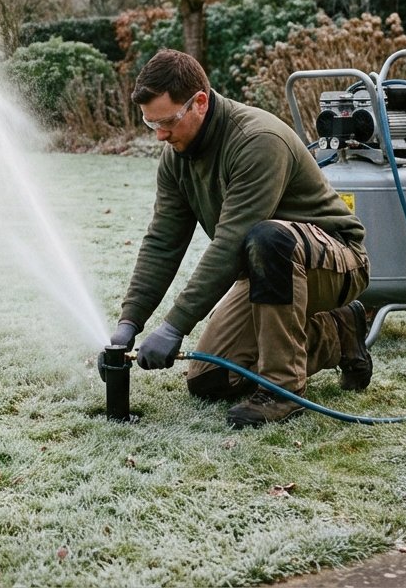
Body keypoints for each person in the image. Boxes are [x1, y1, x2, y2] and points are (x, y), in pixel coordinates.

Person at [100, 49, 372, 428]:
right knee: (211, 379)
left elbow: (232, 240)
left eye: (166, 122)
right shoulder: (176, 157)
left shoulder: (257, 140)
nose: (160, 135)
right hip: (268, 271)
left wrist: (175, 326)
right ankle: (338, 334)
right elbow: (163, 241)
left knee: (267, 237)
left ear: (199, 102)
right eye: (151, 125)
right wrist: (129, 324)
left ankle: (283, 390)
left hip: (336, 261)